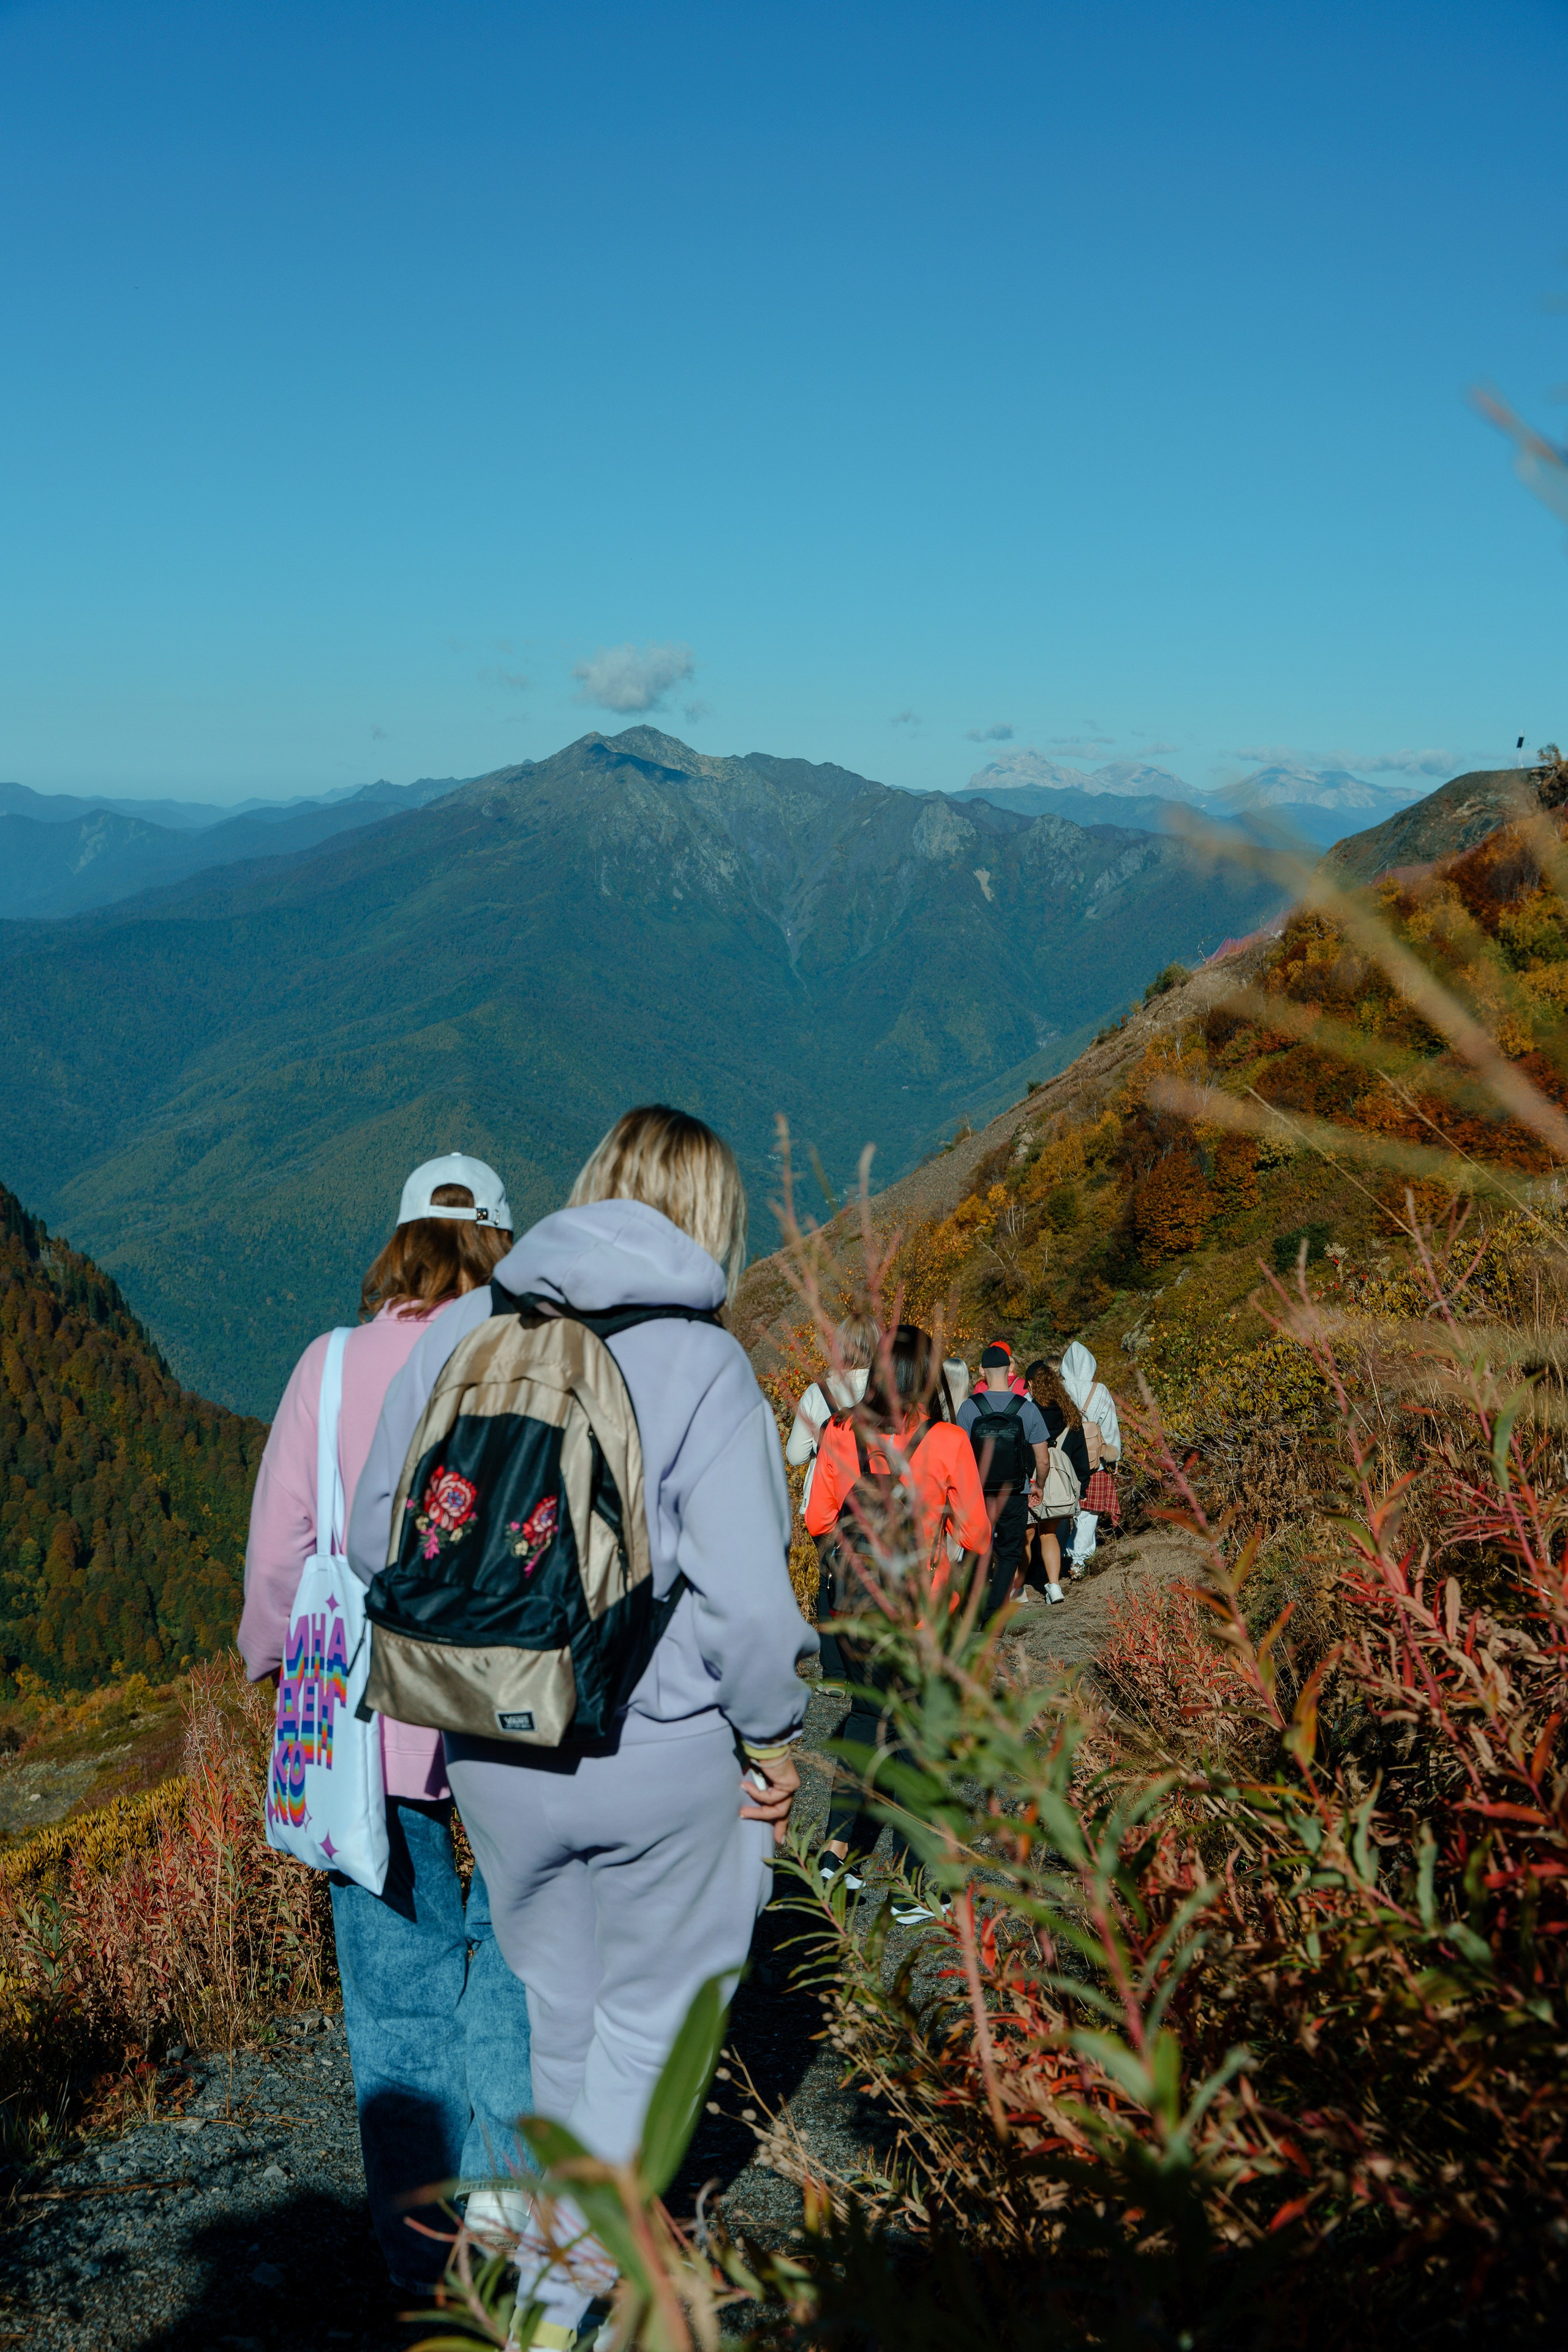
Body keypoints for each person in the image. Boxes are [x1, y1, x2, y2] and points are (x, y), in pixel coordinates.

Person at [347, 1106, 813, 2351]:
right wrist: (769, 1747)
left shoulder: (465, 1330)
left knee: (562, 2023)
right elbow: (750, 1611)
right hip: (653, 1757)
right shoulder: (702, 1365)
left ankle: (560, 2269)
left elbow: (368, 1538)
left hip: (491, 1750)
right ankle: (559, 2309)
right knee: (649, 2044)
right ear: (711, 1219)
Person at [238, 1153, 536, 2294]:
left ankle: (423, 2258)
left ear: (403, 1243)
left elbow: (281, 1553)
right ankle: (516, 2208)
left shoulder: (330, 1366)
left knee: (396, 1986)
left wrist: (274, 1665)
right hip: (519, 1710)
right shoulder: (529, 1358)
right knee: (519, 1958)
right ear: (501, 1246)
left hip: (367, 1716)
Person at [803, 1324, 990, 1916]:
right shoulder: (948, 1439)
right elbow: (976, 1532)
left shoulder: (839, 1432)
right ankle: (917, 1883)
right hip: (922, 1618)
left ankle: (837, 1853)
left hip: (857, 1611)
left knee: (864, 1722)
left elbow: (816, 1520)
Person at [956, 1343, 1052, 1615]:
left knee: (976, 1548)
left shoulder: (969, 1408)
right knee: (1010, 1552)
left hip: (979, 1493)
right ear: (1009, 1368)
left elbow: (960, 1457)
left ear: (982, 1371)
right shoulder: (1027, 1408)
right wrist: (1039, 1486)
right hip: (1015, 1491)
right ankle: (994, 1611)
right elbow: (1043, 1459)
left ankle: (970, 1611)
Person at [785, 1314, 880, 1515]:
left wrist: (821, 1444)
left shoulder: (818, 1393)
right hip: (876, 1503)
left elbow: (795, 1456)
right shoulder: (889, 1392)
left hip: (826, 1505)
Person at [1023, 1357, 1095, 1606]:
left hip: (1031, 1485)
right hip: (1061, 1490)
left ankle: (1016, 1590)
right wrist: (1081, 1486)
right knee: (1049, 1535)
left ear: (1032, 1385)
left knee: (1026, 1536)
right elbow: (1080, 1455)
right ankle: (1054, 1587)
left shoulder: (1027, 1413)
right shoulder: (1069, 1413)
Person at [1061, 1341, 1122, 1575]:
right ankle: (1079, 1560)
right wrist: (1113, 1456)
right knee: (1089, 1512)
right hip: (1095, 1460)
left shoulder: (1060, 1389)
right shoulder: (1100, 1390)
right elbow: (1110, 1426)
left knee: (1065, 1509)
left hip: (1065, 1460)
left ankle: (1060, 1554)